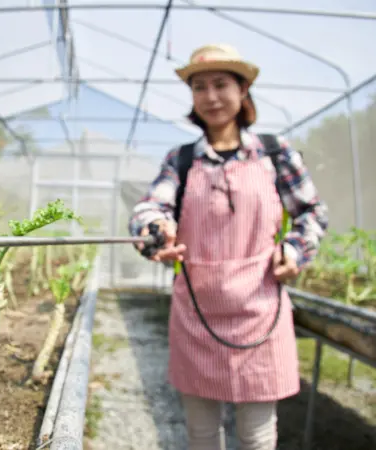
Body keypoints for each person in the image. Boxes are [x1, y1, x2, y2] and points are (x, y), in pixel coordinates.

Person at [128, 44, 328, 450]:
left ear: (243, 90)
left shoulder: (275, 153)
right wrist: (156, 228)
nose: (211, 97)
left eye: (221, 84)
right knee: (202, 432)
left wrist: (294, 250)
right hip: (197, 308)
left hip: (261, 306)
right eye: (199, 87)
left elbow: (311, 212)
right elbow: (150, 207)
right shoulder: (181, 160)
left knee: (256, 434)